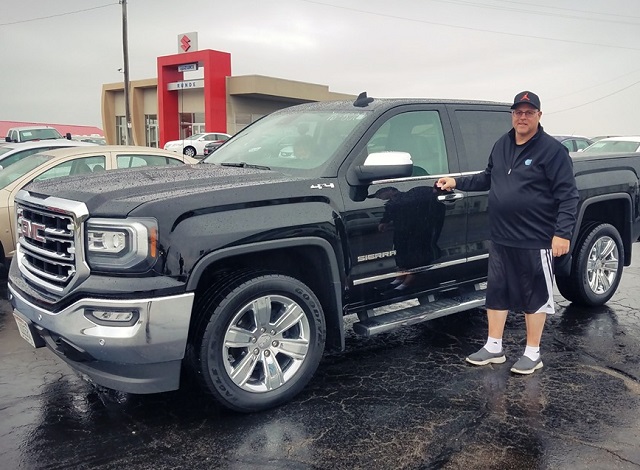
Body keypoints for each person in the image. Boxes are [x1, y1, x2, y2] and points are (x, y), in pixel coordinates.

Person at [436, 90, 579, 375]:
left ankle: (533, 352)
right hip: (501, 237)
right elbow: (488, 177)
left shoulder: (552, 151)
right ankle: (493, 347)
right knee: (497, 293)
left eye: (528, 112)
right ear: (512, 115)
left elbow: (569, 196)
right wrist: (456, 181)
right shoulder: (502, 144)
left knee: (534, 295)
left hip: (535, 238)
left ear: (539, 115)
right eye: (518, 112)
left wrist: (562, 233)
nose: (522, 117)